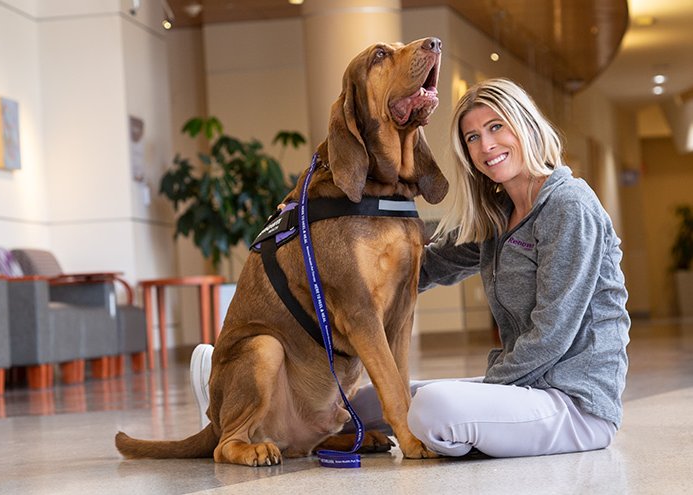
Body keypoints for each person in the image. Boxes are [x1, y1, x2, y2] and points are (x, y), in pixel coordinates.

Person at [189, 78, 630, 458]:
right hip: (524, 387)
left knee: (432, 407)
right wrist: (323, 258)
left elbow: (553, 332)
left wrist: (489, 388)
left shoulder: (568, 206)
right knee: (356, 407)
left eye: (496, 127)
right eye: (472, 137)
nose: (486, 146)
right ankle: (231, 402)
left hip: (573, 403)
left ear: (526, 126)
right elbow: (420, 269)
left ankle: (450, 425)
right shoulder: (500, 215)